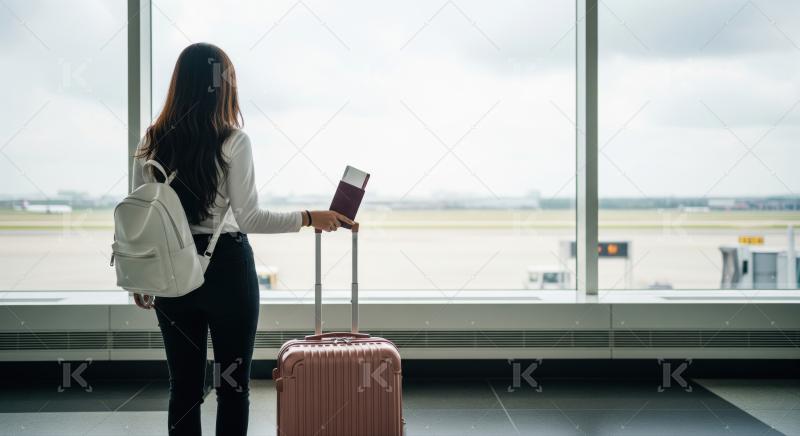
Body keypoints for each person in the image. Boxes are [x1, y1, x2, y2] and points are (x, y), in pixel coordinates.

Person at [130, 42, 351, 436]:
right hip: (226, 271)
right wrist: (308, 217)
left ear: (179, 83)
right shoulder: (233, 141)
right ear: (222, 87)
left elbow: (143, 217)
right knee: (232, 387)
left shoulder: (151, 141)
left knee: (183, 388)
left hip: (169, 270)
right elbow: (249, 217)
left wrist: (141, 276)